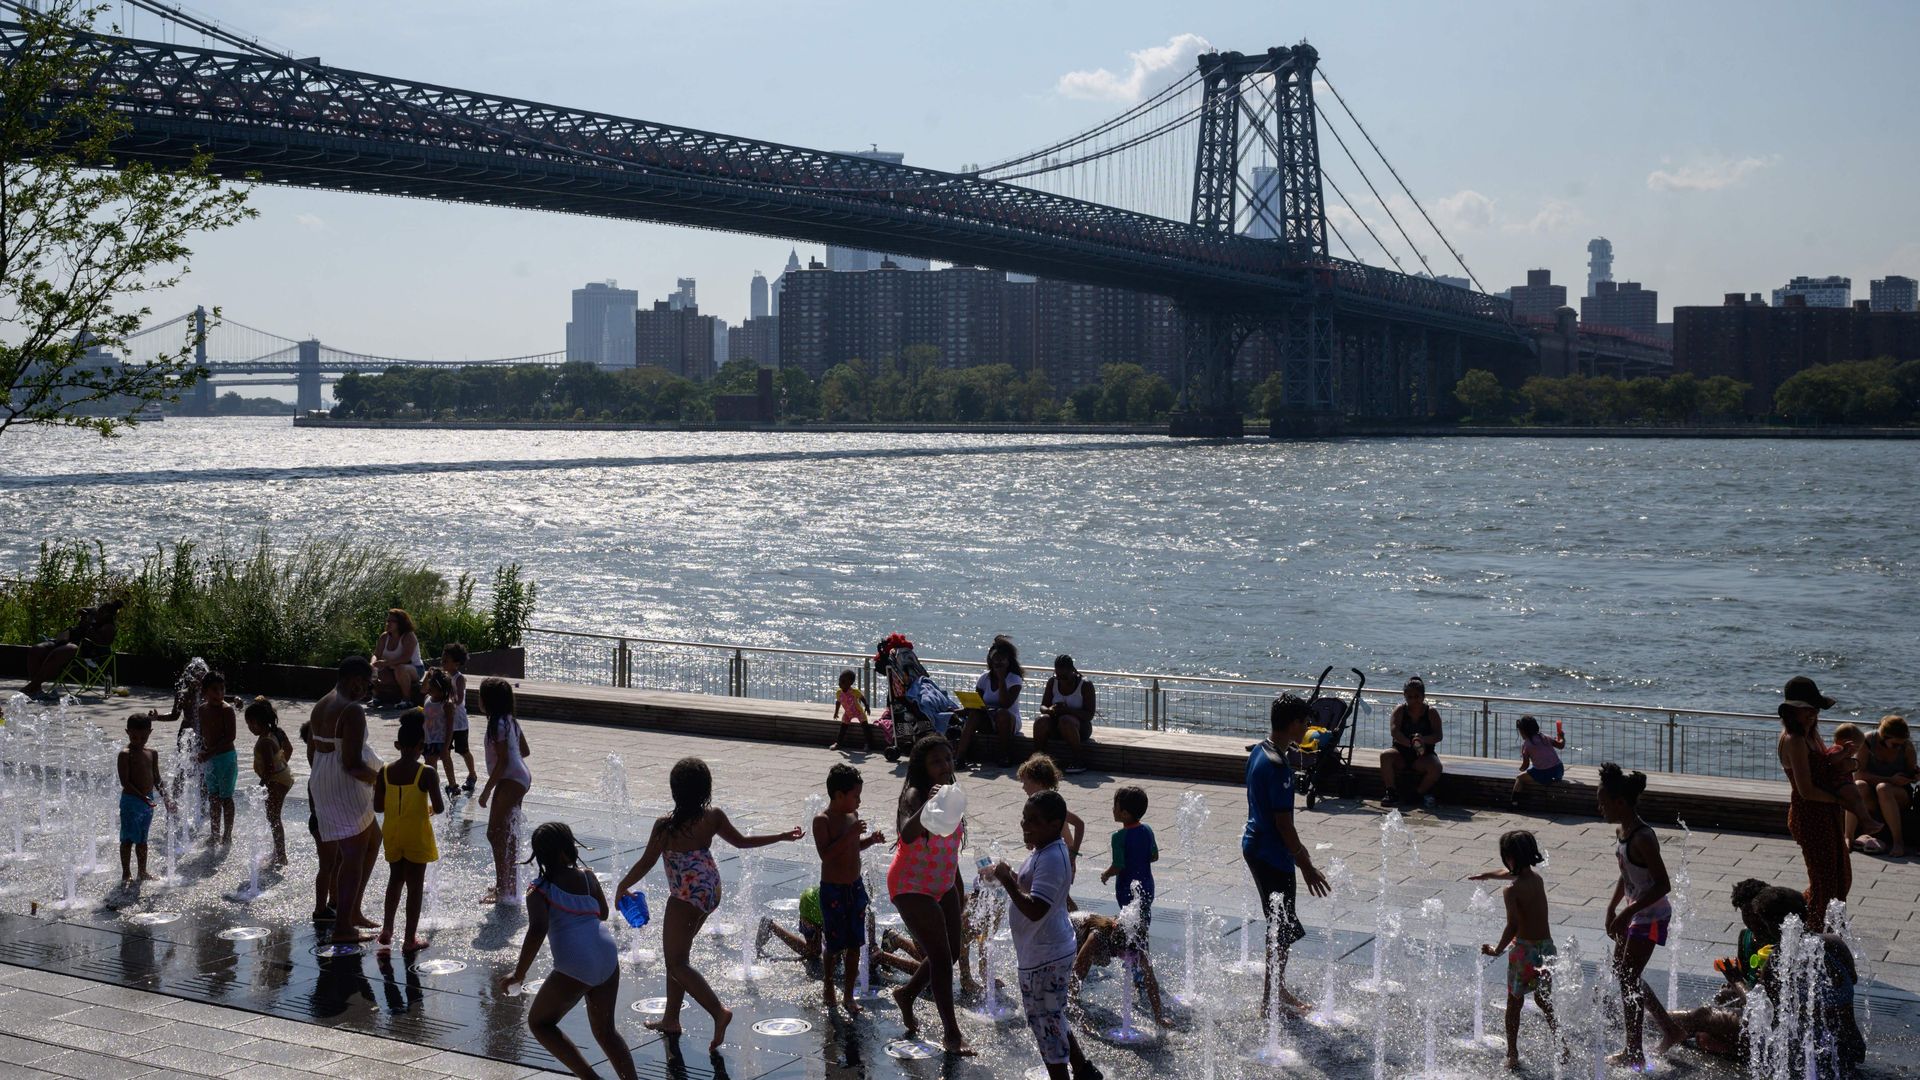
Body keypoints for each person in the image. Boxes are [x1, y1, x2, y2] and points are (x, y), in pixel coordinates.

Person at [615, 757, 803, 1052]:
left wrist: (622, 885)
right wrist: (781, 836)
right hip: (710, 891)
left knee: (676, 961)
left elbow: (646, 861)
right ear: (706, 789)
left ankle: (718, 1011)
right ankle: (671, 1019)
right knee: (677, 957)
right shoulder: (712, 816)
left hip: (684, 896)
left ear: (675, 790)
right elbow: (742, 842)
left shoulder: (666, 826)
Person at [1659, 883, 1866, 1075]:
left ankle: (1652, 1020)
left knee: (1703, 1015)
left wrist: (1737, 981)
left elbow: (1761, 1014)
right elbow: (1851, 981)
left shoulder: (1777, 959)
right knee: (1707, 1038)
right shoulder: (1835, 943)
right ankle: (1701, 1037)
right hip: (1848, 1047)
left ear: (1772, 925)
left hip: (1799, 1054)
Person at [501, 823, 638, 1080]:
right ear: (566, 850)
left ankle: (590, 1078)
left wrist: (518, 974)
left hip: (576, 964)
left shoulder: (539, 890)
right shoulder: (587, 877)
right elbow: (603, 913)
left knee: (540, 1023)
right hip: (607, 956)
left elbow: (537, 930)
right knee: (607, 1032)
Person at [990, 791, 1105, 1080]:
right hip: (1044, 951)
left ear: (1056, 824)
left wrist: (1006, 881)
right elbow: (1035, 893)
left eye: (1034, 821)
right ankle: (1083, 1070)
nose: (1025, 825)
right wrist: (1013, 877)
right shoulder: (1044, 849)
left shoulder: (1052, 856)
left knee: (1046, 1026)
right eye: (1024, 819)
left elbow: (1036, 909)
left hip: (1045, 956)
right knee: (1053, 1016)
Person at [1242, 692, 1331, 1016]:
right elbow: (1284, 825)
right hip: (1272, 853)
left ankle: (1275, 992)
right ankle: (1271, 998)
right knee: (1280, 926)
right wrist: (1305, 864)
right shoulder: (1279, 767)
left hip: (1256, 845)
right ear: (1294, 723)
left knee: (1279, 924)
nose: (1307, 727)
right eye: (1305, 722)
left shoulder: (1259, 751)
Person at [887, 734, 972, 1055]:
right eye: (937, 761)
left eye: (948, 759)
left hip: (943, 883)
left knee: (950, 953)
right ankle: (952, 1034)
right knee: (939, 957)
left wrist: (958, 891)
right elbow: (907, 834)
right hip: (911, 885)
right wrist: (928, 803)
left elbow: (951, 848)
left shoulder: (953, 794)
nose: (945, 765)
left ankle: (907, 994)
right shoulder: (914, 794)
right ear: (923, 767)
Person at [1598, 761, 1677, 1069]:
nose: (1599, 808)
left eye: (1603, 803)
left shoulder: (1643, 837)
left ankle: (1634, 1050)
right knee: (1625, 974)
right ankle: (1670, 1029)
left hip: (1652, 916)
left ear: (1620, 803)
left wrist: (1628, 910)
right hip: (1635, 915)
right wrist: (1611, 907)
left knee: (1628, 977)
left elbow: (1663, 884)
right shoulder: (1623, 832)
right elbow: (1626, 874)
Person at [1469, 830, 1561, 1072]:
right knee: (1544, 1000)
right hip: (1546, 948)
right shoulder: (1536, 879)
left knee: (1514, 1004)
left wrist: (1496, 949)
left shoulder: (1511, 890)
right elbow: (1510, 873)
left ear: (1508, 857)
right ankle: (1560, 1042)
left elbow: (1513, 925)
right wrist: (1486, 875)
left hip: (1524, 952)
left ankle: (1512, 1053)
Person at [309, 656, 383, 944]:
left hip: (322, 777)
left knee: (373, 839)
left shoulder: (322, 702)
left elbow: (313, 751)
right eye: (367, 685)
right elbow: (352, 764)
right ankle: (343, 926)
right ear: (355, 681)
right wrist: (381, 781)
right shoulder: (351, 710)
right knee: (352, 856)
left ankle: (352, 911)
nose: (368, 691)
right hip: (343, 783)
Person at [1777, 676, 1852, 927]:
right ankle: (1811, 934)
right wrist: (1839, 799)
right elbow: (1806, 790)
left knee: (1841, 878)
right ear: (1791, 710)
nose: (1812, 715)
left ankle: (1813, 926)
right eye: (1806, 710)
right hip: (1809, 815)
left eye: (1814, 709)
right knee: (1825, 884)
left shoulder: (1811, 734)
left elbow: (1825, 771)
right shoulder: (1794, 740)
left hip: (1825, 813)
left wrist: (1847, 759)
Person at [814, 763, 886, 1011]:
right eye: (855, 796)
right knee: (834, 945)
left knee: (856, 943)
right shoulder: (822, 821)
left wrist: (869, 841)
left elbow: (853, 848)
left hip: (854, 887)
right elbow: (827, 855)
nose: (859, 801)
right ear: (839, 795)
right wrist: (851, 834)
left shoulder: (852, 818)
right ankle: (828, 985)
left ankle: (848, 995)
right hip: (832, 889)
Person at [375, 709, 443, 955]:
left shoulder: (384, 771)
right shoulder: (426, 772)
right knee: (415, 887)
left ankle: (387, 929)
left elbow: (377, 806)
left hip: (392, 833)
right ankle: (409, 939)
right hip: (416, 835)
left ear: (397, 744)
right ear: (421, 746)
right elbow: (439, 806)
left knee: (395, 881)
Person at [476, 677, 532, 905]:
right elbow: (525, 751)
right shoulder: (510, 721)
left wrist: (486, 791)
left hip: (510, 780)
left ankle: (503, 887)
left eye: (480, 695)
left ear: (488, 701)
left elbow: (503, 761)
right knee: (508, 834)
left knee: (495, 833)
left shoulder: (498, 724)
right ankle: (509, 882)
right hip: (520, 777)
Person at [1066, 910, 1167, 1027]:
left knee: (1085, 965)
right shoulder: (1097, 938)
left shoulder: (1137, 943)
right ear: (1116, 944)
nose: (1130, 959)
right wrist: (1078, 1015)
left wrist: (1159, 1017)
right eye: (1126, 954)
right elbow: (1076, 974)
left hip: (1086, 936)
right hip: (1066, 935)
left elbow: (1150, 981)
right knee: (1073, 975)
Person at [22, 598, 122, 697]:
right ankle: (35, 689)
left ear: (108, 616)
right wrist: (83, 613)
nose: (97, 614)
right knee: (36, 649)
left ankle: (31, 686)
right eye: (99, 610)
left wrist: (88, 628)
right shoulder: (94, 612)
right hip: (68, 639)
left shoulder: (109, 628)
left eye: (101, 613)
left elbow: (101, 643)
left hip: (85, 650)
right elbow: (80, 610)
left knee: (59, 653)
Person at [953, 635, 1023, 770]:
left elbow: (1005, 704)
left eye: (1002, 661)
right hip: (989, 719)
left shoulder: (1014, 679)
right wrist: (962, 709)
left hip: (1008, 721)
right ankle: (960, 757)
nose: (998, 664)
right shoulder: (984, 678)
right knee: (974, 715)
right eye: (995, 661)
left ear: (1008, 661)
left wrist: (1001, 679)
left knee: (1002, 713)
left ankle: (1004, 754)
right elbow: (976, 703)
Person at [118, 713, 173, 882]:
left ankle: (142, 871)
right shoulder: (125, 754)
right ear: (127, 732)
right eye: (134, 736)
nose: (139, 740)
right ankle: (126, 873)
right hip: (131, 802)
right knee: (127, 839)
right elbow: (125, 782)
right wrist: (142, 797)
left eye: (143, 737)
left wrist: (166, 798)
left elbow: (157, 778)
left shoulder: (152, 753)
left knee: (142, 838)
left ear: (150, 732)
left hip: (146, 801)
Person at [1100, 786, 1156, 949]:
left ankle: (1132, 958)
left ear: (1124, 813)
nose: (1112, 809)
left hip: (1127, 888)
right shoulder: (1147, 830)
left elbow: (1118, 866)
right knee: (1143, 920)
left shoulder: (1118, 837)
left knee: (1129, 923)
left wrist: (1106, 874)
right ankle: (1142, 954)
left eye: (1114, 806)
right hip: (1146, 885)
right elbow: (1154, 856)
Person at [244, 697, 295, 868]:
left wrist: (260, 787)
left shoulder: (265, 742)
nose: (250, 728)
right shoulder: (277, 732)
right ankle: (278, 852)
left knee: (273, 817)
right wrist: (283, 764)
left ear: (261, 722)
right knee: (273, 816)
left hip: (276, 780)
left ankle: (281, 855)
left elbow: (269, 769)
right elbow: (289, 749)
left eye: (251, 724)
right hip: (284, 776)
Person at [1379, 676, 1444, 809]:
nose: (1414, 700)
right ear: (1405, 696)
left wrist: (1423, 739)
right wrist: (1410, 742)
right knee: (1385, 755)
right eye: (1410, 697)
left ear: (1423, 696)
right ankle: (1390, 792)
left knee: (1436, 767)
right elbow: (1394, 731)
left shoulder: (1431, 712)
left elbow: (1438, 735)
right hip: (1401, 752)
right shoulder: (1400, 710)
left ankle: (1417, 793)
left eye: (1417, 696)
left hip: (1423, 754)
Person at [1017, 754, 1085, 879]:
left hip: (1060, 859)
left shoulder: (1051, 804)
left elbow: (1079, 824)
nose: (1023, 787)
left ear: (1039, 783)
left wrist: (1073, 854)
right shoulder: (1038, 804)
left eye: (1026, 782)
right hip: (1052, 855)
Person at [1857, 716, 1916, 857]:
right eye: (1895, 744)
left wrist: (1913, 776)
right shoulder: (1867, 742)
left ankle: (1898, 842)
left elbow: (1912, 775)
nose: (1899, 747)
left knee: (1883, 788)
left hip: (1898, 793)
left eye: (1901, 744)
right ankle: (1857, 834)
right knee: (1859, 785)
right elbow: (1858, 774)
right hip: (1873, 791)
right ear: (1883, 737)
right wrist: (1890, 779)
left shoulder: (1907, 747)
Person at [297, 720, 336, 920]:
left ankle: (333, 901)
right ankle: (320, 908)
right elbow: (316, 806)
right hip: (321, 822)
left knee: (336, 862)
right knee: (327, 865)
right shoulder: (317, 770)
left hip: (326, 821)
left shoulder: (321, 767)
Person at [196, 670, 239, 847]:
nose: (219, 694)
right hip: (211, 758)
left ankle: (227, 834)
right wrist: (200, 751)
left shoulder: (227, 710)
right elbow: (202, 735)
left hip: (225, 759)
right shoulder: (202, 709)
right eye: (214, 690)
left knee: (226, 797)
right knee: (213, 796)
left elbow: (230, 737)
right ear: (204, 692)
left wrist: (210, 752)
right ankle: (214, 833)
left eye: (222, 689)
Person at [1034, 656, 1096, 774]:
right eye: (1058, 676)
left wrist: (1067, 710)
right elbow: (1043, 706)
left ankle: (1079, 759)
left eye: (1065, 677)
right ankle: (1038, 759)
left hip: (1080, 728)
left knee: (1065, 720)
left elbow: (1089, 715)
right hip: (1056, 725)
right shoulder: (1053, 682)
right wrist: (1049, 710)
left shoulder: (1085, 685)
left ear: (1072, 670)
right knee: (1041, 720)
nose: (1061, 680)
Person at [441, 643, 477, 796]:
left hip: (459, 722)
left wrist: (449, 700)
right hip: (445, 720)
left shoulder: (459, 678)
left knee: (463, 750)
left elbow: (460, 698)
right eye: (443, 659)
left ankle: (472, 774)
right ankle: (452, 782)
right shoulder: (442, 676)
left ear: (456, 663)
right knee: (445, 752)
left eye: (446, 660)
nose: (443, 662)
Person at [370, 608, 423, 706]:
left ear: (400, 623)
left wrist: (385, 663)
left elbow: (406, 658)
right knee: (372, 669)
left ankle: (406, 700)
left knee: (400, 668)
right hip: (391, 668)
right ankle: (376, 697)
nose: (388, 623)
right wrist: (372, 663)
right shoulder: (384, 637)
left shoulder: (408, 636)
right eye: (387, 621)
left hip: (414, 669)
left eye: (392, 621)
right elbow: (376, 654)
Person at [1510, 714, 1566, 807]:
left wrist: (1520, 770)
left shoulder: (1526, 745)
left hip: (1544, 774)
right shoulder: (1545, 737)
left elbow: (1525, 765)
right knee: (1538, 769)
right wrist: (1562, 737)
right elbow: (1561, 745)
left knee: (1520, 778)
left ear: (1523, 731)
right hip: (1559, 770)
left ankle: (1513, 802)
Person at [828, 669, 877, 753]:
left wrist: (867, 707)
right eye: (840, 680)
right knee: (843, 728)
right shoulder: (839, 693)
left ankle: (868, 744)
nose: (840, 683)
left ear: (850, 683)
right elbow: (838, 702)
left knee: (865, 727)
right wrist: (836, 712)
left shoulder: (855, 692)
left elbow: (862, 698)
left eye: (843, 681)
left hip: (858, 712)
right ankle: (838, 743)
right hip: (848, 713)